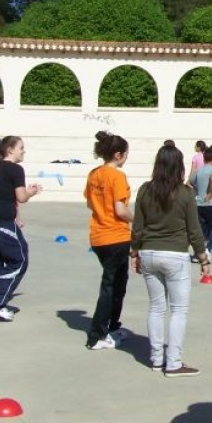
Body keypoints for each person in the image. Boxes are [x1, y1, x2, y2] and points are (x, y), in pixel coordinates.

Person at [132, 143, 210, 376]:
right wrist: (203, 258)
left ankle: (156, 359)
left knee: (156, 308)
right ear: (179, 166)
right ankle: (173, 362)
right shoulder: (185, 193)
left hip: (149, 252)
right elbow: (194, 229)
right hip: (175, 254)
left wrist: (134, 253)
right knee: (178, 310)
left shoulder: (145, 190)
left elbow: (137, 226)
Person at [0, 136, 43, 321]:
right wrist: (31, 191)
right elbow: (21, 197)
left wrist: (17, 216)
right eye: (21, 147)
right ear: (10, 150)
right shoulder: (15, 169)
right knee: (20, 259)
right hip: (1, 222)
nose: (24, 151)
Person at [84, 131, 134, 350]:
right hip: (116, 236)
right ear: (118, 154)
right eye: (126, 154)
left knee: (117, 284)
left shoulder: (94, 174)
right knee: (111, 286)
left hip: (98, 236)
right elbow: (120, 210)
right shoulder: (117, 177)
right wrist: (140, 219)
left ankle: (112, 326)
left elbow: (90, 204)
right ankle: (97, 334)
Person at [191, 147, 212, 257]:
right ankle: (208, 250)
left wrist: (199, 190)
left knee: (202, 230)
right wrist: (209, 193)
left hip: (199, 203)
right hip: (211, 203)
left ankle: (197, 254)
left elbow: (191, 181)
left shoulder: (198, 171)